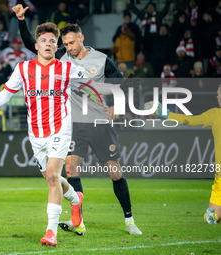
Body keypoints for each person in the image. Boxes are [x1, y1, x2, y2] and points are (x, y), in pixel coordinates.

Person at [0, 22, 91, 247]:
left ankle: (51, 231)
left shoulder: (67, 68)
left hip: (60, 128)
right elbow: (3, 96)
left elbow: (93, 84)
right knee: (51, 177)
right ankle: (76, 199)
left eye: (52, 42)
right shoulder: (23, 69)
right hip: (36, 134)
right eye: (44, 41)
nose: (48, 44)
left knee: (52, 176)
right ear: (36, 45)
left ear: (57, 47)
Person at [12, 4, 142, 236]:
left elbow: (124, 85)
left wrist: (116, 105)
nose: (69, 48)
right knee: (71, 171)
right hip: (73, 125)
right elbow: (30, 44)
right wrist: (22, 20)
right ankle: (78, 221)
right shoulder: (61, 57)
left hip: (100, 124)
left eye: (72, 43)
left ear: (81, 38)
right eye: (66, 44)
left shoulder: (101, 60)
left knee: (115, 173)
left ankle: (129, 219)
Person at [144, 87, 221, 224]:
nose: (217, 96)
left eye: (219, 93)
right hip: (220, 179)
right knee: (210, 218)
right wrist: (167, 114)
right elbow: (190, 120)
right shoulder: (215, 114)